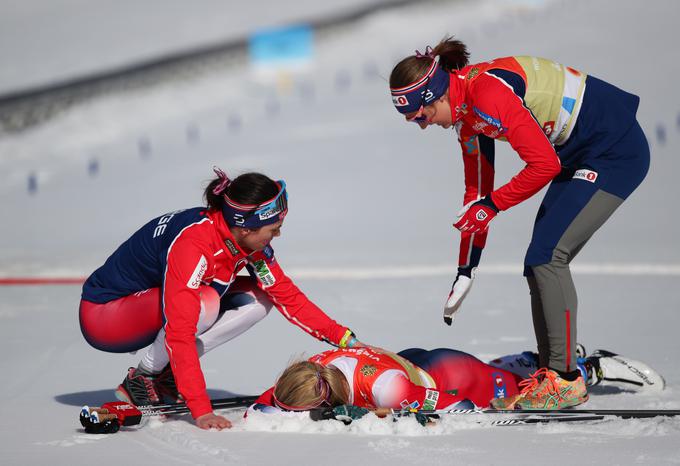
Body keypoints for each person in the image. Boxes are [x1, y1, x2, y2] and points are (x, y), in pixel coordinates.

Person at [388, 38, 649, 409]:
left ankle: (566, 379)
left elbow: (543, 166)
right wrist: (467, 267)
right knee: (537, 260)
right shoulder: (465, 114)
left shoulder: (486, 95)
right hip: (578, 151)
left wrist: (493, 206)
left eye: (420, 117)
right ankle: (553, 372)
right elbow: (477, 196)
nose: (421, 126)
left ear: (436, 96)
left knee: (548, 256)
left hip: (614, 150)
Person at [79, 167, 366, 430]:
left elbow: (286, 295)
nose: (278, 234)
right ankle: (143, 378)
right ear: (246, 228)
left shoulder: (244, 241)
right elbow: (179, 330)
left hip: (145, 305)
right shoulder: (194, 245)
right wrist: (200, 409)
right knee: (204, 303)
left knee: (260, 297)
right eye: (273, 229)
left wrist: (345, 339)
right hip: (106, 317)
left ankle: (165, 374)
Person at [249, 345, 663, 418]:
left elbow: (454, 408)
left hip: (452, 379)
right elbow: (270, 401)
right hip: (414, 362)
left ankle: (593, 367)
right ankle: (522, 362)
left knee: (531, 398)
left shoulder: (386, 390)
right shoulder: (310, 370)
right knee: (503, 374)